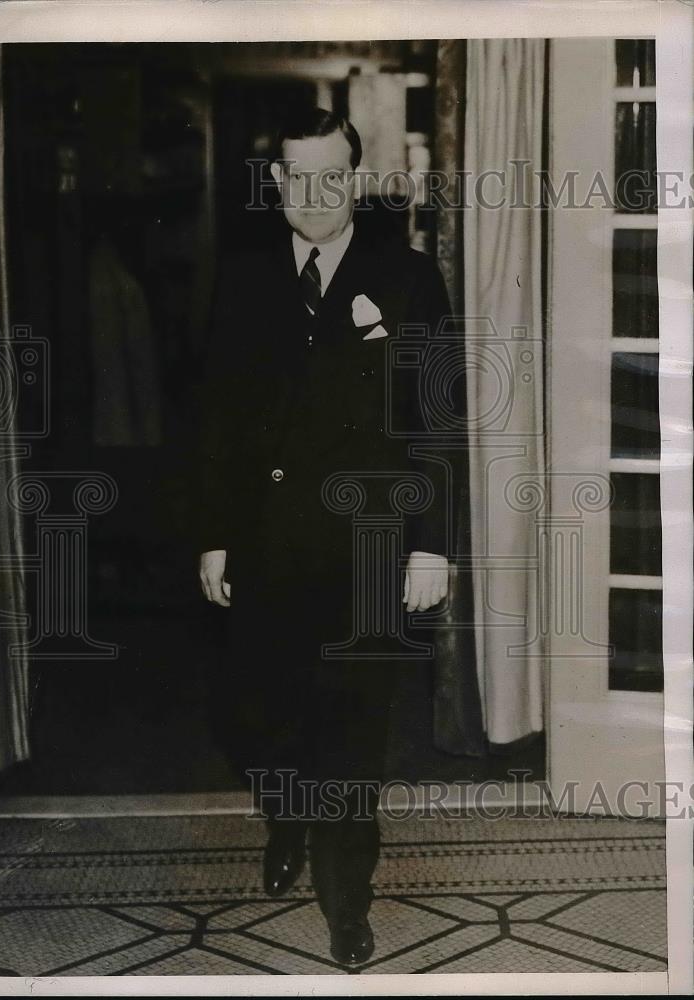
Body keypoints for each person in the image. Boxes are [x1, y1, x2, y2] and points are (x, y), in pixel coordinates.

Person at [197, 107, 464, 965]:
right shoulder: (241, 278)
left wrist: (432, 543)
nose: (312, 194)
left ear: (355, 180)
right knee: (257, 717)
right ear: (276, 183)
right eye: (295, 177)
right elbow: (218, 424)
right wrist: (214, 537)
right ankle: (286, 812)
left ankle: (348, 902)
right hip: (268, 544)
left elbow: (437, 417)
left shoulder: (410, 277)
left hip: (370, 548)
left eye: (330, 176)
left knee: (352, 733)